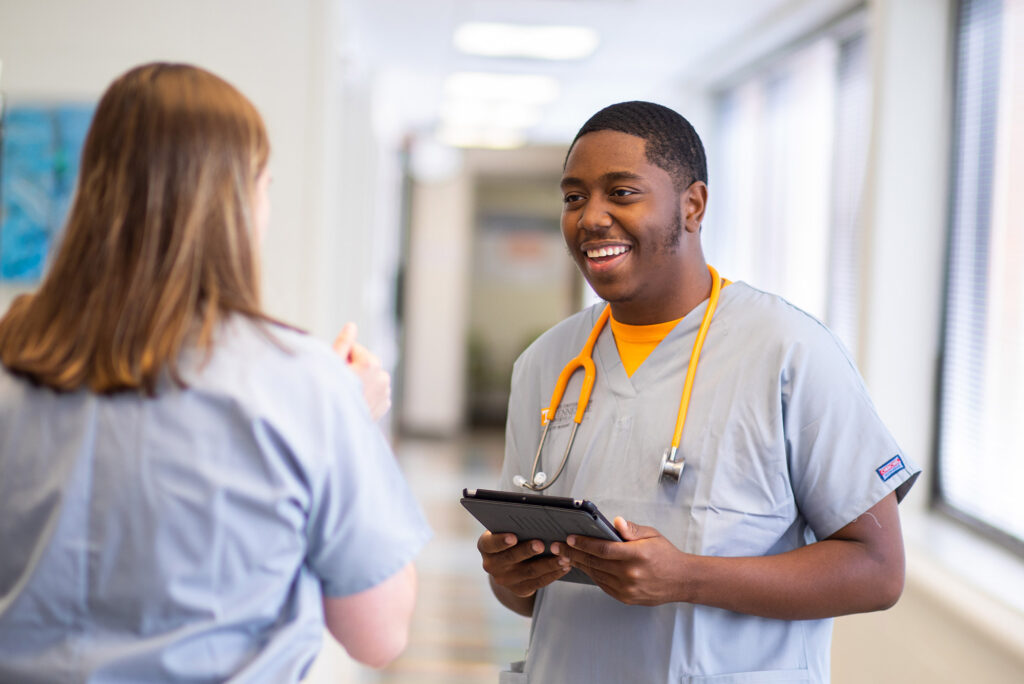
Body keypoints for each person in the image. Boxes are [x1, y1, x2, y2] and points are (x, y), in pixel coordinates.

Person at [0, 63, 430, 682]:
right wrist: (350, 423)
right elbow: (379, 633)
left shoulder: (13, 359)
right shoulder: (303, 386)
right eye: (266, 185)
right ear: (236, 200)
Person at [476, 101, 920, 683]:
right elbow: (531, 601)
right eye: (574, 197)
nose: (590, 218)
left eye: (623, 192)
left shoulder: (789, 352)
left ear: (693, 205)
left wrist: (686, 576)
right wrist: (510, 575)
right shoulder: (546, 363)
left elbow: (877, 571)